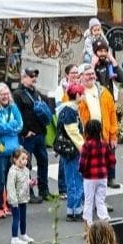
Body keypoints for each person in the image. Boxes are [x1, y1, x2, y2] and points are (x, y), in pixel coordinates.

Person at [76, 64, 120, 189]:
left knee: (103, 167)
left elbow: (112, 115)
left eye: (92, 73)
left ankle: (104, 190)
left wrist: (113, 136)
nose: (91, 76)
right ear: (81, 77)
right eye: (87, 74)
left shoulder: (104, 92)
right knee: (89, 168)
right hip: (86, 138)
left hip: (104, 135)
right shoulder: (76, 93)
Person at [11, 68, 52, 203]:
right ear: (23, 78)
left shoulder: (37, 94)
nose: (34, 78)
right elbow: (16, 115)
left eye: (35, 76)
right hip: (27, 136)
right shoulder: (17, 94)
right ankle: (28, 192)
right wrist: (24, 132)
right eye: (30, 76)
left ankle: (44, 190)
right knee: (26, 165)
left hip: (40, 134)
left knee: (43, 162)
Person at [0, 82, 23, 218]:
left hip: (13, 149)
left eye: (7, 93)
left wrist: (6, 127)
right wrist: (11, 127)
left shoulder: (13, 107)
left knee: (13, 178)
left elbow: (20, 124)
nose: (5, 96)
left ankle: (10, 204)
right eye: (2, 94)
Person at [56, 84, 85, 222]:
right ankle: (74, 211)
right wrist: (84, 148)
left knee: (73, 179)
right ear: (78, 95)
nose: (84, 96)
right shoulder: (70, 111)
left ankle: (74, 209)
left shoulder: (67, 109)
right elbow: (73, 132)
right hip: (72, 151)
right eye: (82, 94)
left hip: (69, 150)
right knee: (75, 179)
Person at [79, 120, 115, 225]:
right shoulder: (104, 144)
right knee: (100, 200)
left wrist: (81, 171)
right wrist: (105, 168)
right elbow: (112, 160)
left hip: (89, 177)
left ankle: (88, 225)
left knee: (89, 201)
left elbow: (83, 162)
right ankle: (105, 221)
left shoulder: (87, 145)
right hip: (102, 176)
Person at [6, 148, 34, 244]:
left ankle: (23, 234)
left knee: (23, 217)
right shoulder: (13, 171)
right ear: (15, 159)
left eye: (26, 159)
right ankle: (14, 238)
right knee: (16, 218)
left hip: (23, 198)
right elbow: (10, 186)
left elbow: (26, 181)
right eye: (22, 159)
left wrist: (31, 183)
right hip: (15, 200)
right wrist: (13, 201)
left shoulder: (26, 170)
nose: (25, 161)